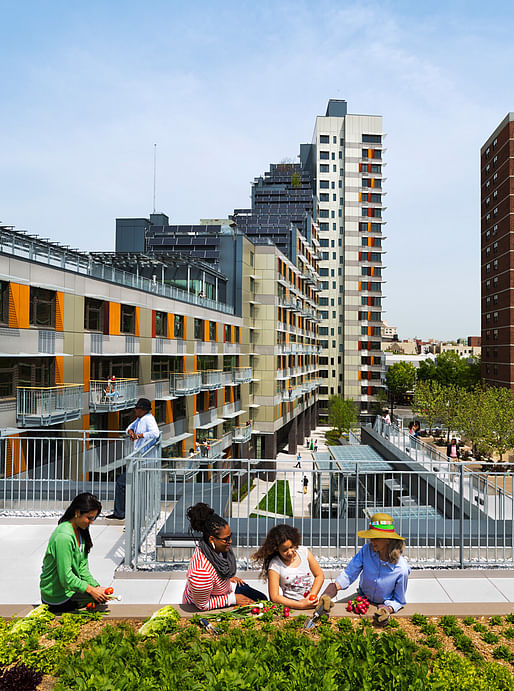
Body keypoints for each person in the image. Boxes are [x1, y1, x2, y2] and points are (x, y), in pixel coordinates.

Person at [321, 513, 410, 625]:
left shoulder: (401, 569)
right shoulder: (366, 551)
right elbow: (349, 574)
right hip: (362, 598)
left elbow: (399, 600)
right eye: (371, 537)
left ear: (388, 540)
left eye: (375, 538)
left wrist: (387, 610)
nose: (371, 541)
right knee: (330, 613)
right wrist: (328, 593)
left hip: (383, 605)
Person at [183, 502, 266, 610]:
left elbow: (216, 569)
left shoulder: (212, 547)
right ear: (212, 539)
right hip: (211, 600)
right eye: (226, 539)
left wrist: (226, 576)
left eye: (230, 536)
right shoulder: (201, 572)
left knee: (263, 600)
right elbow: (202, 605)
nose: (230, 541)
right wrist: (233, 599)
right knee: (261, 605)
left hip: (225, 588)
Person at [40, 493, 110, 614]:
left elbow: (82, 569)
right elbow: (66, 578)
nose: (91, 522)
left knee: (100, 596)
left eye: (93, 518)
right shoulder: (64, 536)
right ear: (77, 513)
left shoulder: (80, 531)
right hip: (56, 597)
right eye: (89, 518)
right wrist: (90, 590)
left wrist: (96, 587)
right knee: (96, 598)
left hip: (69, 591)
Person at [106, 398, 160, 520]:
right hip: (139, 459)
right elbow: (128, 428)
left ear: (144, 410)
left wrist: (140, 435)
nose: (135, 410)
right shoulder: (140, 419)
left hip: (145, 460)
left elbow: (155, 433)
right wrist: (131, 432)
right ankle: (125, 512)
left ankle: (123, 513)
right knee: (129, 485)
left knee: (123, 483)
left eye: (137, 408)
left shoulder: (149, 420)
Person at [252, 524, 324, 610]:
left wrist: (311, 596)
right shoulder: (275, 565)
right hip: (291, 607)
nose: (290, 552)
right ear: (276, 549)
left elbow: (319, 575)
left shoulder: (304, 552)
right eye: (285, 550)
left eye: (291, 547)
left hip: (311, 603)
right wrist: (299, 605)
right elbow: (274, 597)